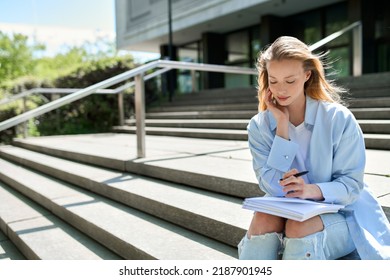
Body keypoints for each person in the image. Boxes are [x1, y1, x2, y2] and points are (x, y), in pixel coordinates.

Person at [238, 36, 390, 260]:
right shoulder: (260, 126)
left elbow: (351, 186)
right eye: (274, 81)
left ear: (307, 75)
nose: (281, 90)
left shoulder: (338, 119)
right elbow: (271, 185)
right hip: (290, 210)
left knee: (299, 226)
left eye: (290, 81)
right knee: (263, 217)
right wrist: (282, 127)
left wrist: (310, 190)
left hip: (344, 214)